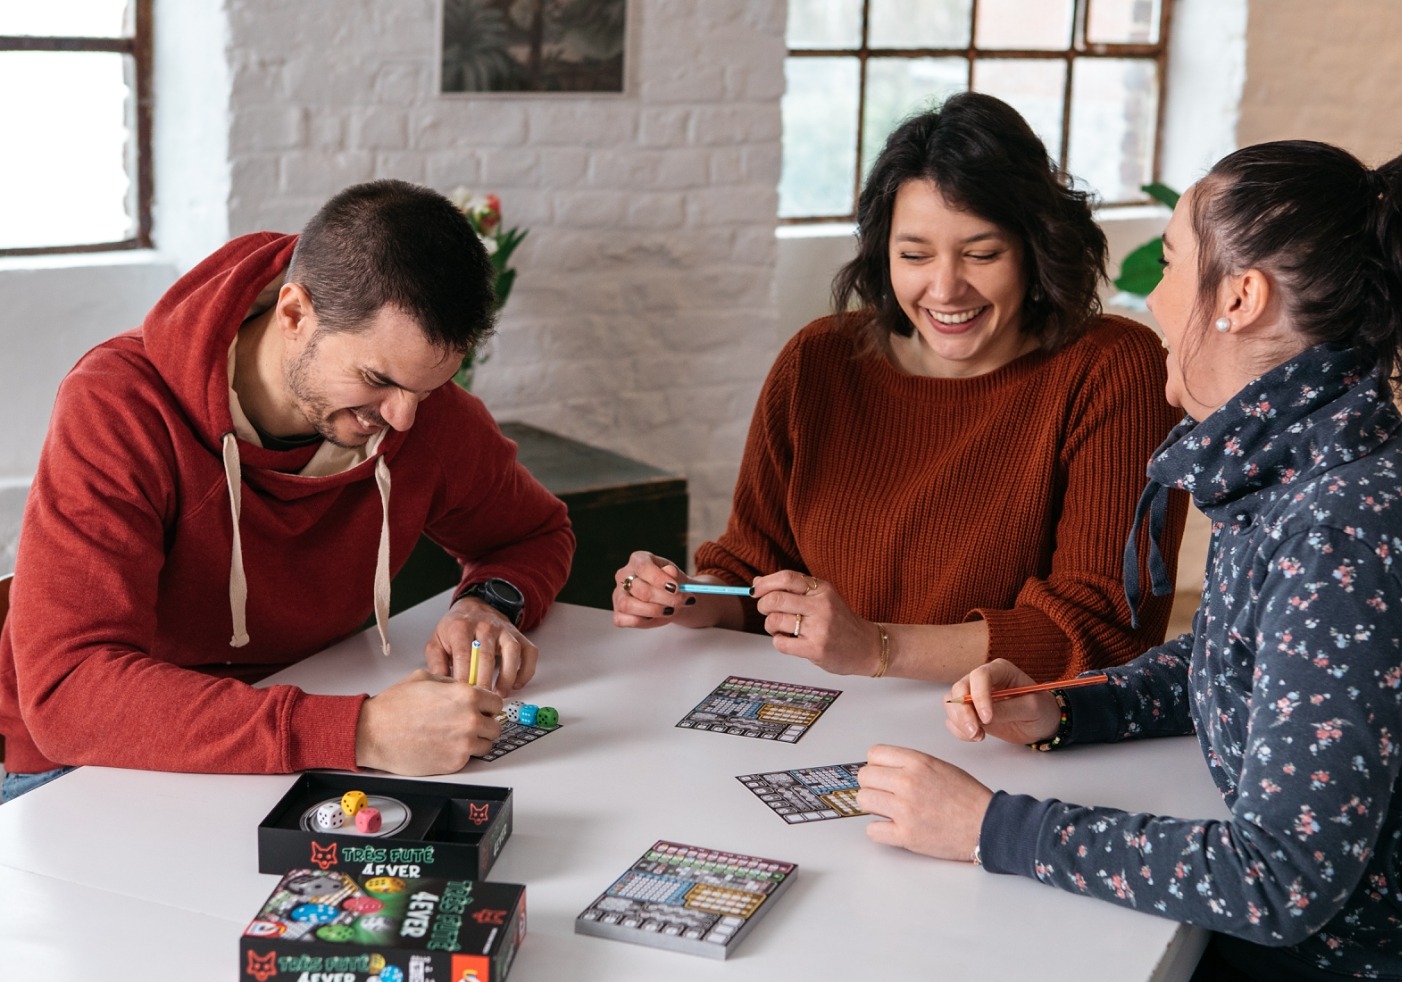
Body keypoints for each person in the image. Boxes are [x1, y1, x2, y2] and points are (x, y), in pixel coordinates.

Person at [857, 134, 1402, 982]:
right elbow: (1227, 660)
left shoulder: (1340, 525)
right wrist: (1066, 711)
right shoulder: (1300, 448)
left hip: (1379, 974)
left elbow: (1277, 881)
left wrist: (990, 827)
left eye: (1170, 261)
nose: (1151, 296)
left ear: (1239, 296)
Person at [0, 180, 575, 802]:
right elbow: (70, 692)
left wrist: (487, 604)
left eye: (428, 388)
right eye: (376, 379)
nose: (405, 419)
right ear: (295, 314)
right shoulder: (118, 406)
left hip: (293, 736)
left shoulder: (420, 414)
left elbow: (533, 533)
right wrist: (360, 730)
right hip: (84, 768)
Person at [611, 92, 1186, 685]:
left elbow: (1108, 630)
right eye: (914, 254)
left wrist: (875, 647)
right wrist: (677, 597)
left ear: (1035, 251)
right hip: (824, 717)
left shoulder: (1114, 370)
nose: (945, 288)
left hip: (1003, 736)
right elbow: (752, 571)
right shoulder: (818, 362)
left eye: (981, 254)